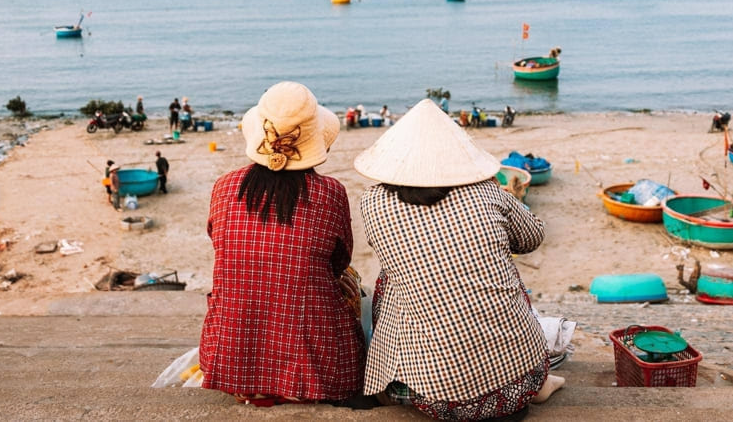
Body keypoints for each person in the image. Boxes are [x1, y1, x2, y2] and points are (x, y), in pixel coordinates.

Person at [355, 98, 564, 420]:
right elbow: (532, 238)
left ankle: (388, 383)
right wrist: (501, 196)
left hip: (437, 401)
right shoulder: (487, 192)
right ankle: (541, 385)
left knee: (392, 278)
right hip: (523, 382)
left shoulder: (373, 202)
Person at [199, 81, 366, 406]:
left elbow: (219, 244)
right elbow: (340, 261)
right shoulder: (330, 193)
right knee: (353, 285)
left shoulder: (224, 187)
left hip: (232, 357)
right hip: (319, 367)